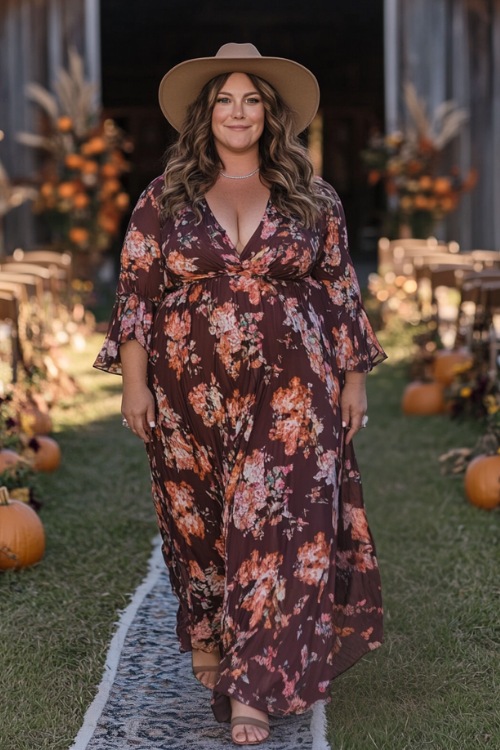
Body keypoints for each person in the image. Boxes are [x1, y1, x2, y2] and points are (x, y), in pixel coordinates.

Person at [94, 42, 386, 747]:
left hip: (293, 392)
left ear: (270, 113)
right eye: (225, 99)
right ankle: (209, 628)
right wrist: (135, 386)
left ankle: (254, 688)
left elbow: (340, 290)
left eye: (252, 99)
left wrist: (352, 376)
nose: (238, 111)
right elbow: (137, 294)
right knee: (197, 520)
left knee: (275, 528)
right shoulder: (164, 197)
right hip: (187, 389)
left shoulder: (312, 197)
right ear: (206, 114)